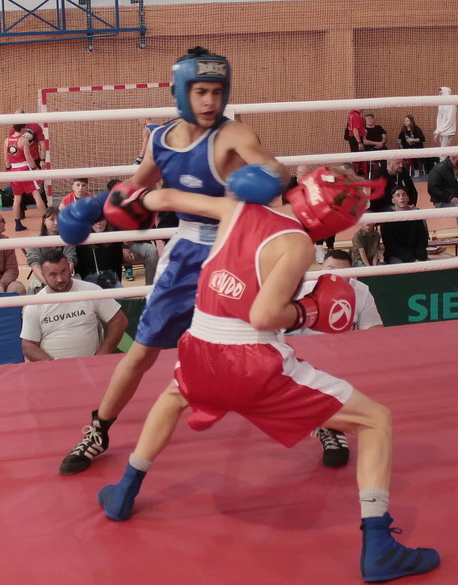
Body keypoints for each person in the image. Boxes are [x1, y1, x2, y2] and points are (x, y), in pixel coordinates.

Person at [93, 166, 438, 584]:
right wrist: (309, 311)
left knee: (172, 396)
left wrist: (122, 198)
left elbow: (164, 198)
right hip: (251, 364)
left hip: (198, 350)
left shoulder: (236, 208)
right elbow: (264, 316)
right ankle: (380, 547)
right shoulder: (296, 244)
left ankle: (124, 491)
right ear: (332, 219)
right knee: (376, 420)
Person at [55, 46, 289, 475]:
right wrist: (92, 208)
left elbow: (275, 169)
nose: (210, 101)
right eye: (200, 92)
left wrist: (268, 179)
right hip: (185, 254)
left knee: (264, 345)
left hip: (233, 253)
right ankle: (98, 429)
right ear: (181, 93)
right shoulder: (161, 140)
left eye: (217, 91)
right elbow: (134, 189)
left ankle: (323, 422)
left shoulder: (233, 135)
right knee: (143, 350)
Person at [287, 248, 385, 468]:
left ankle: (331, 426)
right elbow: (289, 337)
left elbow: (375, 330)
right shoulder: (304, 291)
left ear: (351, 275)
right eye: (330, 270)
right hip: (311, 358)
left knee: (378, 416)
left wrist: (361, 351)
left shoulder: (361, 291)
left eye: (342, 274)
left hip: (347, 357)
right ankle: (330, 425)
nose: (335, 277)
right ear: (321, 269)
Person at [20, 249, 127, 361]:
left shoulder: (91, 291)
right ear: (43, 275)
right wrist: (52, 365)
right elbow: (28, 345)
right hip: (54, 368)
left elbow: (119, 320)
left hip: (90, 365)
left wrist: (102, 354)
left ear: (69, 268)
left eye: (63, 272)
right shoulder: (35, 304)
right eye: (53, 275)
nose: (60, 279)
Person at [5, 122, 47, 232]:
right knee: (36, 194)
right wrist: (35, 169)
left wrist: (8, 171)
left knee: (17, 198)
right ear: (23, 128)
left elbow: (6, 159)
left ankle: (18, 224)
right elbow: (28, 158)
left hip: (13, 170)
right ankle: (46, 222)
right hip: (24, 168)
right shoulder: (23, 140)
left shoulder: (7, 140)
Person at [25, 207, 77, 293]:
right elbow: (34, 264)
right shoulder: (35, 241)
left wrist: (65, 279)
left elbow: (71, 260)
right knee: (33, 286)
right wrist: (49, 283)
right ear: (44, 221)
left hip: (65, 278)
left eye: (58, 219)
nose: (56, 222)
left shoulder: (68, 239)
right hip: (43, 279)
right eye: (52, 219)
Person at [380, 187, 429, 264]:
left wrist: (419, 258)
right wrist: (412, 260)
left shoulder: (416, 216)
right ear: (393, 200)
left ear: (408, 198)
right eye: (398, 195)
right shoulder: (387, 220)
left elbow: (422, 240)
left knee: (431, 267)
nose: (401, 198)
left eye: (403, 195)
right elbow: (392, 246)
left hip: (417, 255)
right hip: (396, 256)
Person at [361, 112, 388, 177]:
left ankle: (385, 175)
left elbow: (385, 137)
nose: (370, 120)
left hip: (382, 147)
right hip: (370, 149)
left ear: (373, 119)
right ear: (365, 120)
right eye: (368, 118)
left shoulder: (379, 127)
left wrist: (382, 143)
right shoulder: (364, 129)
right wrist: (377, 143)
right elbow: (364, 141)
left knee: (389, 156)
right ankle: (379, 175)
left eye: (371, 118)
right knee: (380, 159)